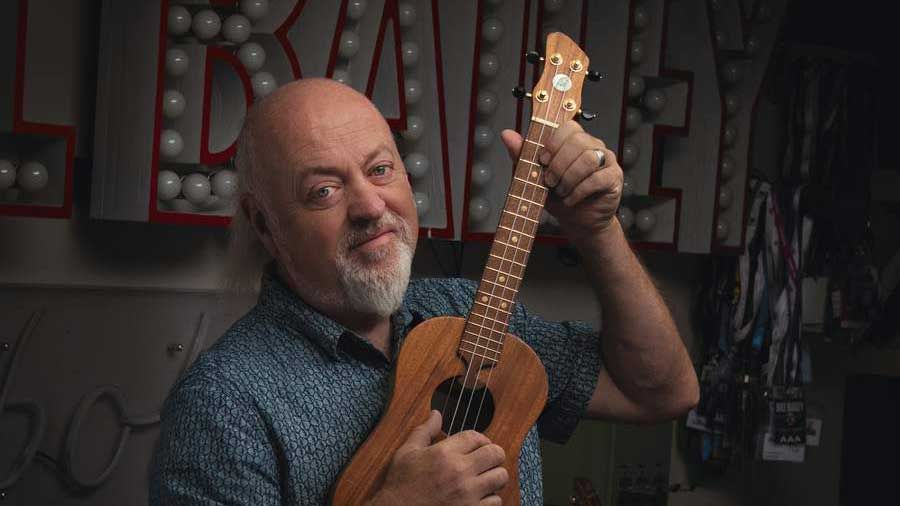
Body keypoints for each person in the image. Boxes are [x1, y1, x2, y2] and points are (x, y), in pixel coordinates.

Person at [149, 78, 698, 506]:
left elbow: (661, 393)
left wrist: (597, 232)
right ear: (265, 225)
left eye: (380, 169)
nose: (369, 205)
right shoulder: (222, 404)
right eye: (323, 190)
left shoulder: (473, 309)